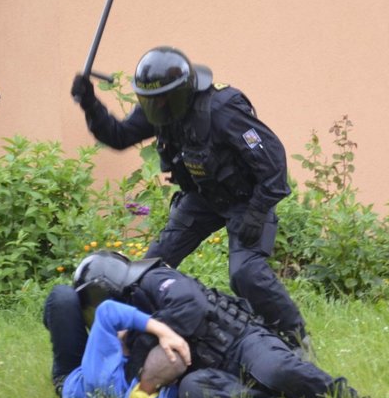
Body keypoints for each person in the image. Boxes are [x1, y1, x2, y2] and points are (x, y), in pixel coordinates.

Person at [70, 46, 311, 355]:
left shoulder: (222, 108)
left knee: (246, 272)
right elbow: (119, 135)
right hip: (203, 197)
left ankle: (296, 341)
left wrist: (257, 211)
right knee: (148, 268)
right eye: (150, 100)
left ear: (181, 92)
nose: (155, 106)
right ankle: (138, 343)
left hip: (247, 199)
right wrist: (90, 104)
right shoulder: (159, 110)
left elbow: (273, 160)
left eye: (161, 99)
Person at [66, 250, 389, 398]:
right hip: (210, 372)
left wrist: (147, 338)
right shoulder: (127, 338)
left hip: (242, 342)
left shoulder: (153, 281)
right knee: (194, 392)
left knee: (278, 370)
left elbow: (191, 305)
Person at [56, 298, 190, 398]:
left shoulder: (105, 376)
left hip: (74, 381)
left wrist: (164, 331)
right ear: (173, 382)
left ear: (140, 367)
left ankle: (59, 381)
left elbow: (107, 311)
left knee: (62, 297)